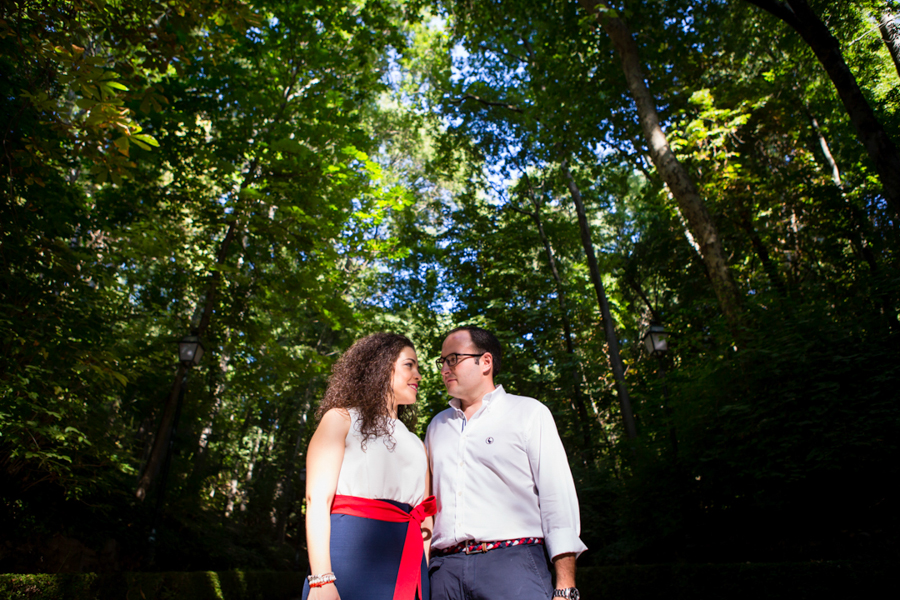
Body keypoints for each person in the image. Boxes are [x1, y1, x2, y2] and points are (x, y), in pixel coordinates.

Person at [425, 326, 586, 600]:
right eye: (442, 361)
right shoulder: (437, 426)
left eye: (453, 359)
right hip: (444, 572)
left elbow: (557, 498)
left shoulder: (529, 412)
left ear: (485, 361)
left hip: (513, 566)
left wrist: (566, 585)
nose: (444, 369)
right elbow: (427, 504)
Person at [303, 332, 435, 600]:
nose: (418, 375)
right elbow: (316, 499)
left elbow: (425, 517)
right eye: (409, 364)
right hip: (348, 558)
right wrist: (321, 580)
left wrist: (423, 571)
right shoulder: (340, 419)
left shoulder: (417, 444)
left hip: (408, 566)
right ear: (381, 366)